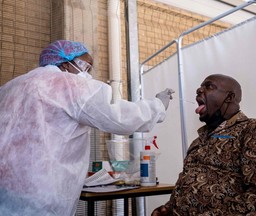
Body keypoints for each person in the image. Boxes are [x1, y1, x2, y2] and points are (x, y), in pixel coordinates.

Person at [0, 40, 175, 216]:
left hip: (6, 188)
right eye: (85, 67)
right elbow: (118, 118)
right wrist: (157, 105)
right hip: (41, 193)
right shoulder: (66, 84)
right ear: (65, 63)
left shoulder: (10, 87)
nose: (88, 76)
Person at [152, 74, 256, 216]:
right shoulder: (198, 142)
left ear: (229, 97)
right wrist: (168, 209)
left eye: (208, 86)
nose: (199, 90)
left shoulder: (254, 130)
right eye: (200, 87)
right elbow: (186, 186)